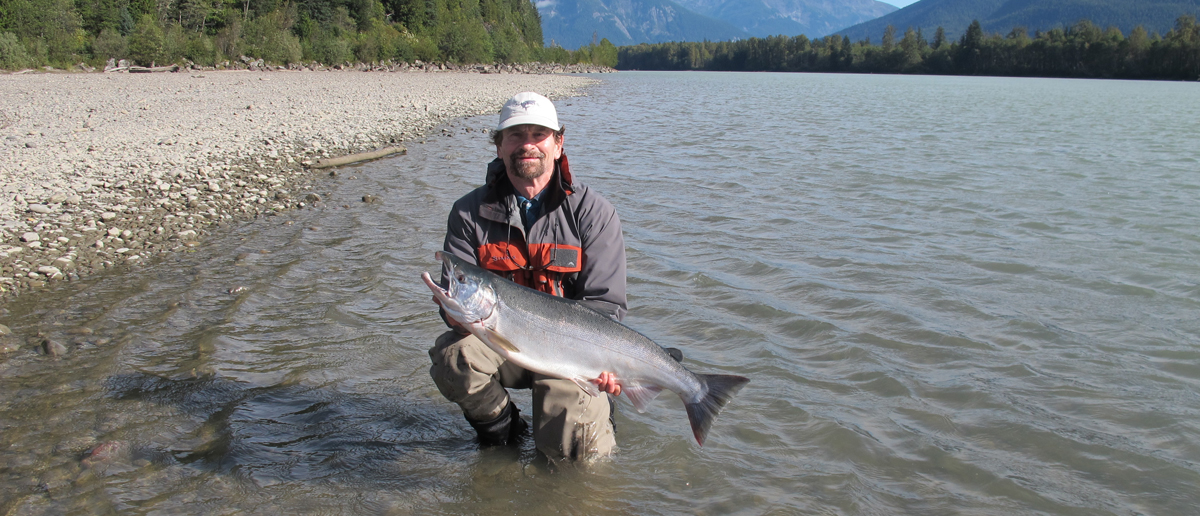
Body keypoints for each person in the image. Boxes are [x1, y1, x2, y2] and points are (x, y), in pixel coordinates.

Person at [428, 91, 628, 461]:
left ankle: (586, 428)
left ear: (558, 143)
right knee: (453, 358)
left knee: (575, 456)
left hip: (572, 352)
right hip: (500, 340)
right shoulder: (467, 214)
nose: (528, 145)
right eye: (516, 135)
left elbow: (606, 306)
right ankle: (504, 433)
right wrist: (452, 311)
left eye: (539, 134)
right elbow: (456, 306)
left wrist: (606, 366)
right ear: (499, 146)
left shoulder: (594, 214)